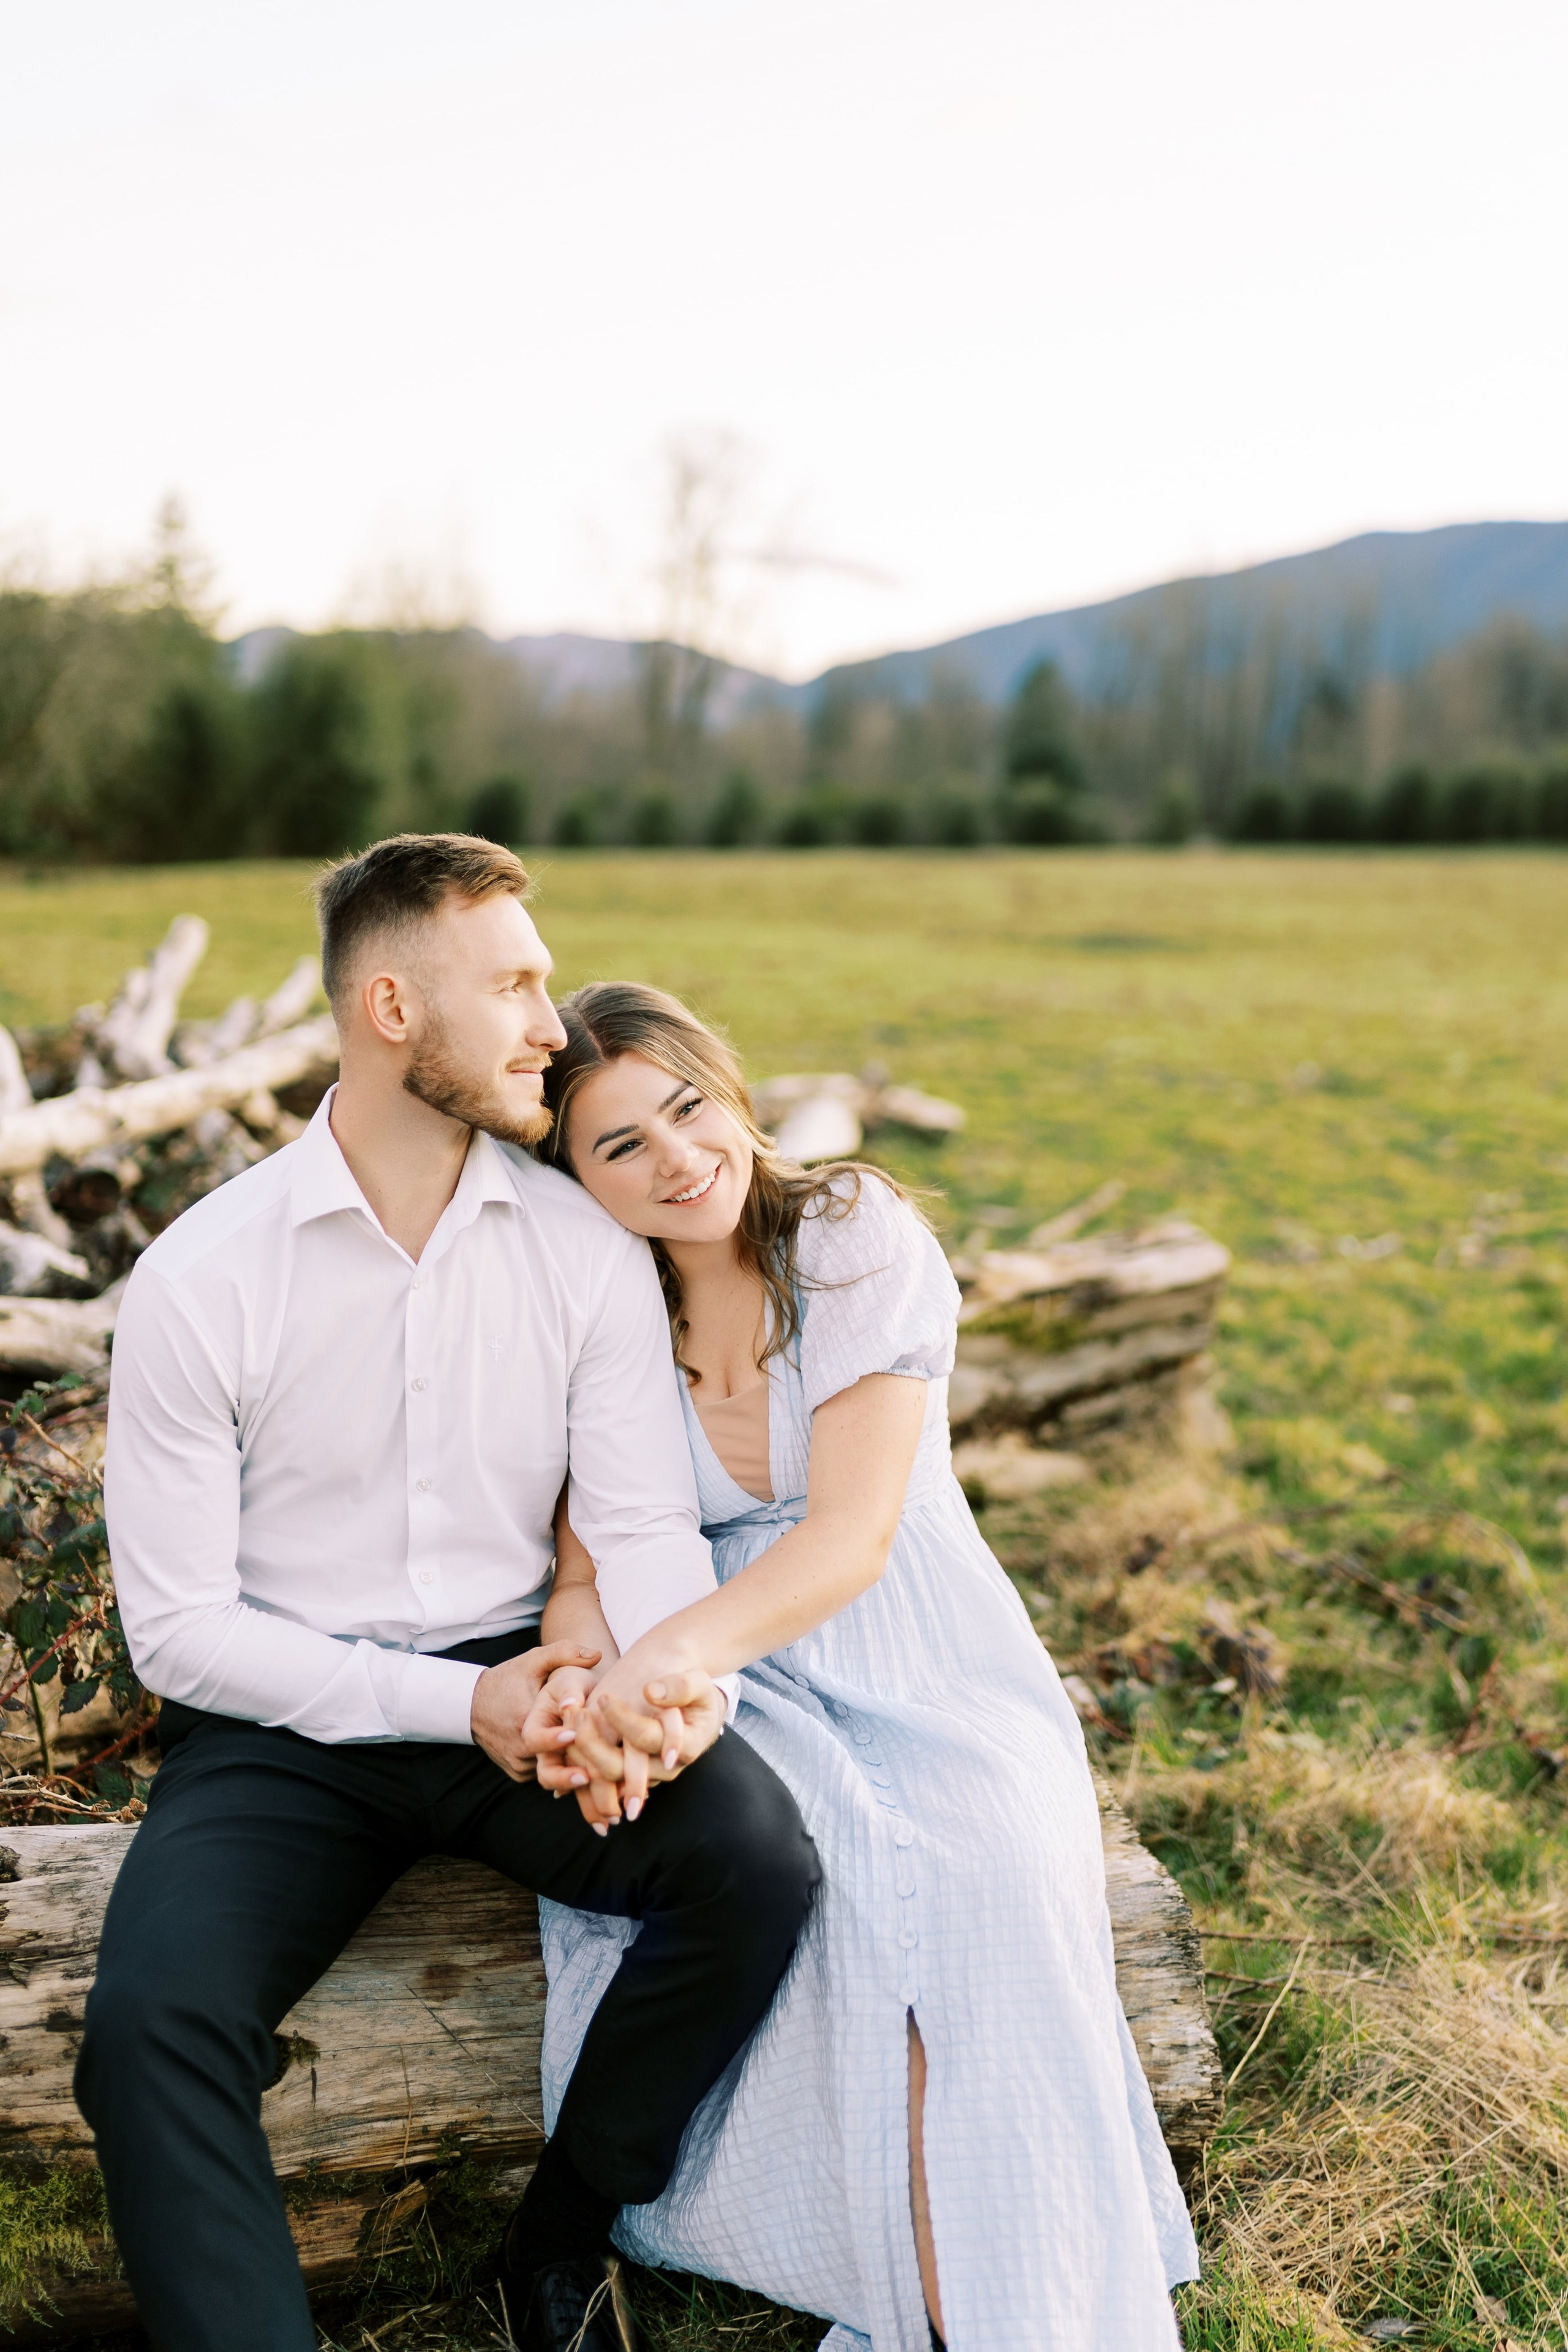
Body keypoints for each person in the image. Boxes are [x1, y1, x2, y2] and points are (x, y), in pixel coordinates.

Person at [77, 839, 819, 2352]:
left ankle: (556, 2244)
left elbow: (637, 1523)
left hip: (535, 1691)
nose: (552, 1023)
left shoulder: (575, 1248)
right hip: (279, 1720)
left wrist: (663, 1692)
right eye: (517, 986)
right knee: (151, 2026)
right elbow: (178, 1633)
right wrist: (453, 1703)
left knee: (752, 1860)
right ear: (397, 1008)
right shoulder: (201, 1277)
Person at [522, 982, 1200, 2352]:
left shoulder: (842, 1233)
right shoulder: (599, 1309)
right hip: (731, 1672)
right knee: (817, 1886)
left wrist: (664, 1671)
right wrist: (584, 1689)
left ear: (727, 1086)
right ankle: (906, 2276)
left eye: (684, 1108)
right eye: (619, 1148)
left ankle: (999, 2302)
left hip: (910, 1644)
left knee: (980, 1876)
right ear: (574, 1181)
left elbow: (847, 1540)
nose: (676, 1160)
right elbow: (584, 1569)